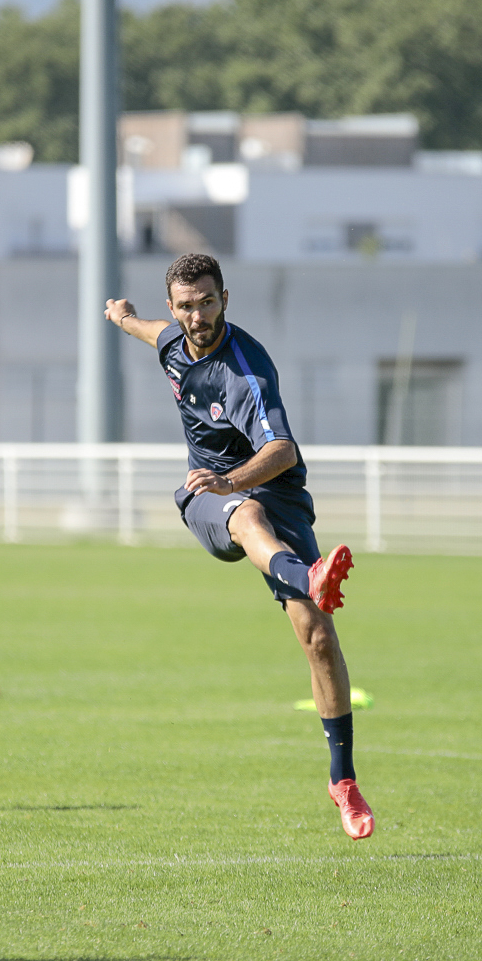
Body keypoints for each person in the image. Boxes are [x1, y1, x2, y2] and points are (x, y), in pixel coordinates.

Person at [105, 253, 373, 840]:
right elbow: (150, 332)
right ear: (173, 308)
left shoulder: (246, 370)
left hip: (270, 491)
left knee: (319, 638)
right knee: (244, 513)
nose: (196, 316)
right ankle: (308, 578)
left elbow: (283, 450)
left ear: (227, 298)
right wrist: (123, 317)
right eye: (185, 306)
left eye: (207, 302)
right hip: (210, 495)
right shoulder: (173, 339)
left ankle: (343, 781)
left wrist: (234, 478)